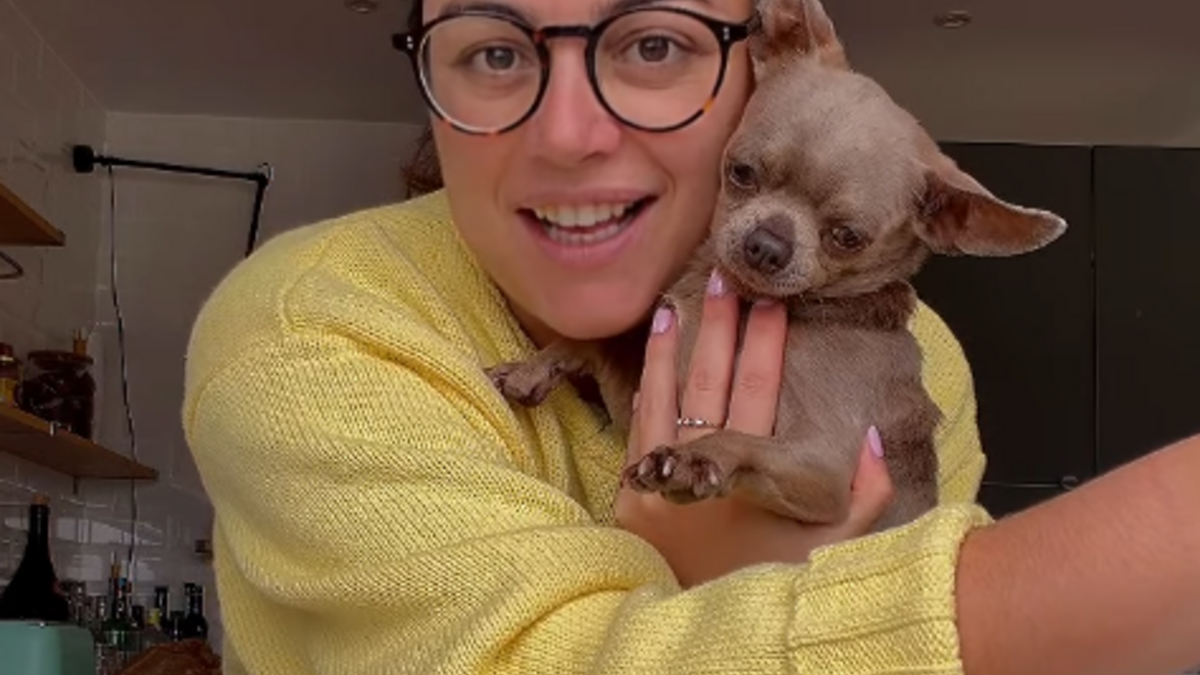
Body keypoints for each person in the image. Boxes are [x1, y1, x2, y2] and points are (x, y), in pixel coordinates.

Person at [181, 0, 1200, 673]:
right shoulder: (315, 332)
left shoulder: (917, 361)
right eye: (496, 51)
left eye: (654, 44)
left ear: (760, 54)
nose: (568, 135)